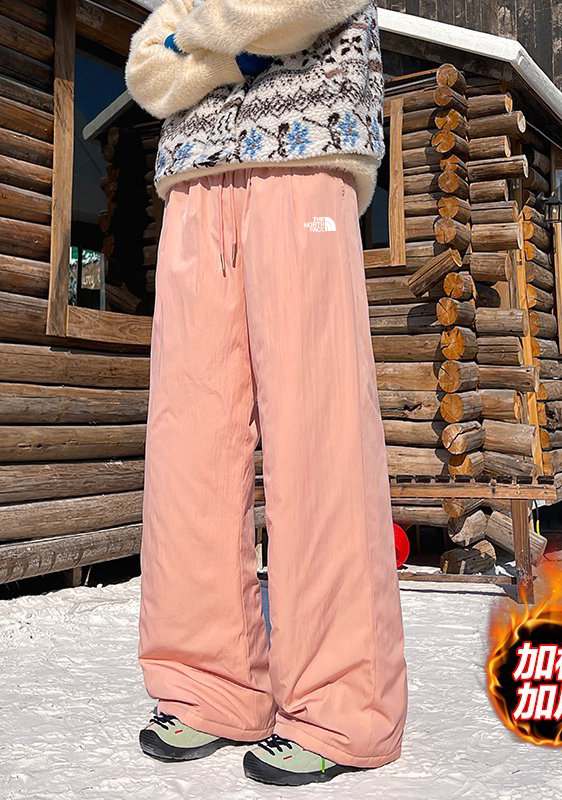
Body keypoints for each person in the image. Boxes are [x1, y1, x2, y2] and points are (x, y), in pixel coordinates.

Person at [124, 0, 408, 787]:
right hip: (193, 186)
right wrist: (240, 43)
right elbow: (147, 71)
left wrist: (197, 44)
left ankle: (343, 705)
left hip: (306, 163)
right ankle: (208, 686)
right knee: (189, 444)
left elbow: (300, 8)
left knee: (318, 434)